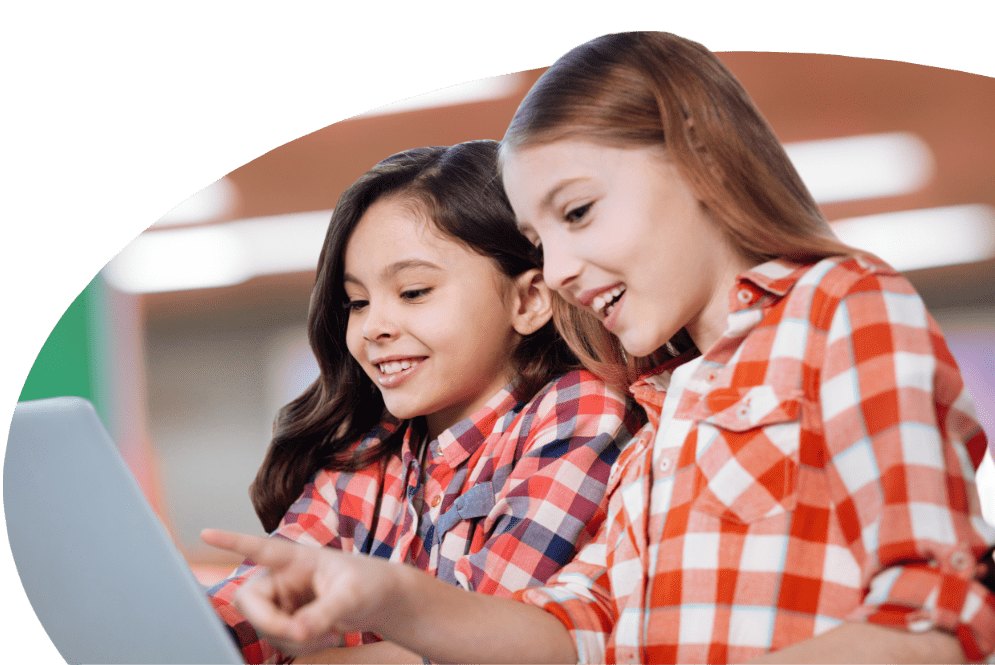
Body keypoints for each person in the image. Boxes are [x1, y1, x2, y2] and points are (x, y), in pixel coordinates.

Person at [202, 32, 995, 663]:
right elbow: (577, 627)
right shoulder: (655, 403)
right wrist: (383, 595)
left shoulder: (840, 309)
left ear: (700, 160)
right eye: (537, 241)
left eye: (576, 213)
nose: (559, 271)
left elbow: (937, 610)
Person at [205, 140, 641, 664]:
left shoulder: (578, 413)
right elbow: (250, 608)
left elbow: (490, 640)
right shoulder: (371, 456)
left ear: (527, 300)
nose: (374, 328)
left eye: (413, 292)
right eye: (358, 302)